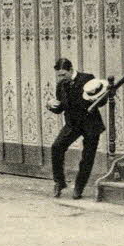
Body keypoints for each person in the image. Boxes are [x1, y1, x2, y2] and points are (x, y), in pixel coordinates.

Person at [46, 58, 106, 199]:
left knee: (87, 157)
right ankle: (59, 182)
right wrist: (51, 105)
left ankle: (79, 187)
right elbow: (61, 108)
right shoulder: (61, 85)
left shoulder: (88, 78)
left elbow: (101, 100)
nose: (60, 78)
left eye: (63, 74)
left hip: (90, 124)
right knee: (56, 147)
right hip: (72, 124)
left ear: (71, 70)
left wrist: (95, 99)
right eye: (59, 75)